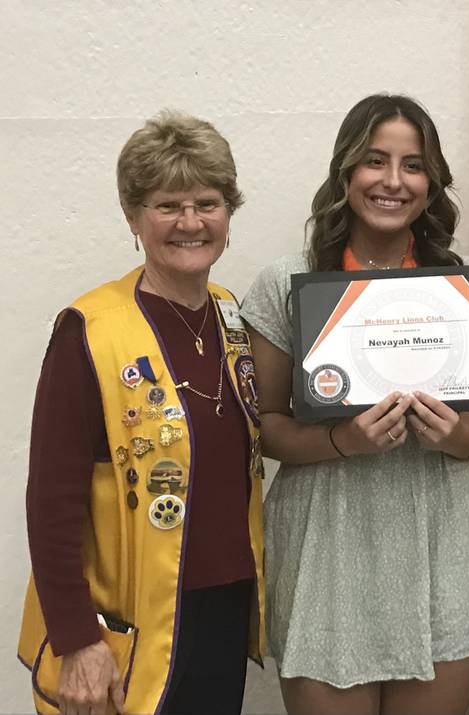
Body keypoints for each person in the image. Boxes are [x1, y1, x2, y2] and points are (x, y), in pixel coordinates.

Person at [241, 94, 469, 715]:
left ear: (432, 181)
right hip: (326, 546)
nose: (393, 181)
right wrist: (344, 442)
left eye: (412, 165)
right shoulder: (286, 284)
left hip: (443, 538)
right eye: (374, 161)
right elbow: (266, 428)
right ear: (345, 173)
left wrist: (452, 436)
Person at [18, 111, 266, 715]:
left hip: (223, 605)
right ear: (133, 217)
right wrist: (77, 641)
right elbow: (52, 499)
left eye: (207, 202)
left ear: (228, 214)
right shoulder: (90, 329)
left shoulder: (230, 314)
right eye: (167, 205)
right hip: (127, 623)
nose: (190, 222)